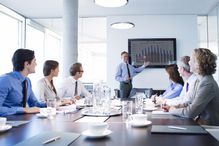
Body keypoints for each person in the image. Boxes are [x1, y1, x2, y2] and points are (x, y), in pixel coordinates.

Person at [168, 48, 219, 125]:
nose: (189, 62)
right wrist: (174, 107)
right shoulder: (201, 80)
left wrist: (172, 110)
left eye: (191, 60)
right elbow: (191, 103)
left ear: (198, 64)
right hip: (200, 124)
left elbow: (191, 112)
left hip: (208, 129)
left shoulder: (207, 83)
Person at [0, 49, 46, 116]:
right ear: (27, 64)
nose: (36, 64)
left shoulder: (27, 81)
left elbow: (34, 104)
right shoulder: (5, 80)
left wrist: (50, 104)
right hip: (6, 123)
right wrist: (24, 110)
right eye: (34, 61)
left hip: (21, 120)